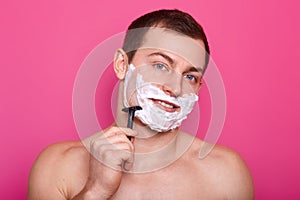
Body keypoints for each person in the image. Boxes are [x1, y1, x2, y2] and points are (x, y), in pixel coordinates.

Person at [28, 9, 254, 199]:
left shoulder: (226, 173)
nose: (175, 88)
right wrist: (95, 190)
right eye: (160, 66)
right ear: (121, 65)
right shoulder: (57, 166)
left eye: (190, 77)